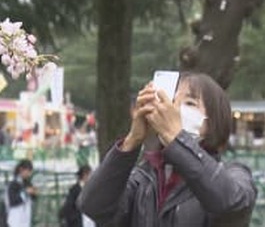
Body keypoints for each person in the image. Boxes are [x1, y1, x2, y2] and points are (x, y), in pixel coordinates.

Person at [78, 71, 257, 227]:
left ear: (213, 120)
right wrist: (133, 140)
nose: (174, 110)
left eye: (189, 103)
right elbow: (93, 206)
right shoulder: (144, 179)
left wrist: (176, 138)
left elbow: (231, 204)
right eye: (172, 101)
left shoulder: (234, 175)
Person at [5, 159, 37, 227]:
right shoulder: (13, 184)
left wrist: (34, 194)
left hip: (26, 219)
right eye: (28, 171)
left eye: (30, 171)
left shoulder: (28, 183)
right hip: (15, 221)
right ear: (21, 169)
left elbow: (33, 200)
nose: (29, 174)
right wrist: (26, 192)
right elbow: (13, 201)